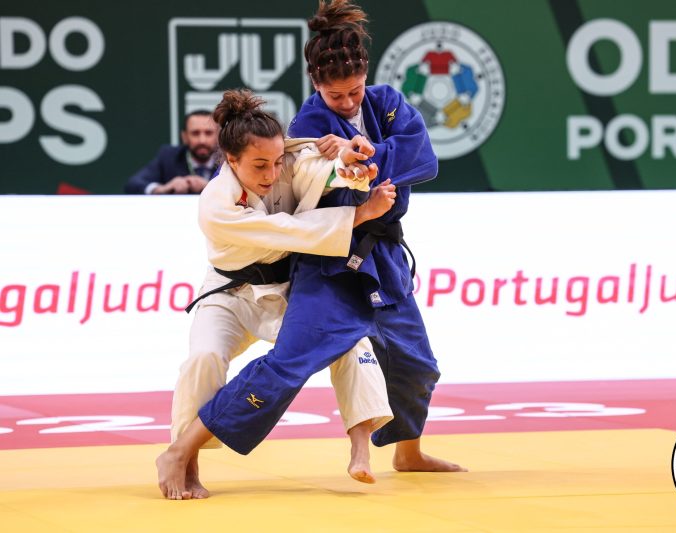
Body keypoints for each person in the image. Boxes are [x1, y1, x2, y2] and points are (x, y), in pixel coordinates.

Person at [157, 0, 464, 497]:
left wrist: (360, 155)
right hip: (324, 261)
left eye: (354, 91)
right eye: (335, 94)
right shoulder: (304, 125)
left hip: (380, 253)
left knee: (416, 362)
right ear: (316, 85)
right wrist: (352, 172)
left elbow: (423, 158)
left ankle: (407, 451)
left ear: (367, 76)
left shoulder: (385, 102)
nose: (346, 102)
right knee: (290, 361)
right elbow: (309, 189)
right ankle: (182, 449)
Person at [160, 88, 397, 500]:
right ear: (231, 160)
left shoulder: (285, 160)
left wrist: (351, 167)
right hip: (230, 295)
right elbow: (285, 231)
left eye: (275, 161)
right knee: (204, 357)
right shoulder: (216, 204)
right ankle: (183, 457)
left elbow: (314, 169)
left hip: (286, 290)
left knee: (347, 338)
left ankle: (360, 449)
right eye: (259, 165)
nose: (272, 173)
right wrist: (358, 214)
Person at [125, 110, 219, 194]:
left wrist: (209, 186)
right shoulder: (168, 157)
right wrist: (162, 189)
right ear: (184, 137)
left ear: (218, 136)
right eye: (195, 133)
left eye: (208, 133)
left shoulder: (225, 161)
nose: (202, 140)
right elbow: (133, 184)